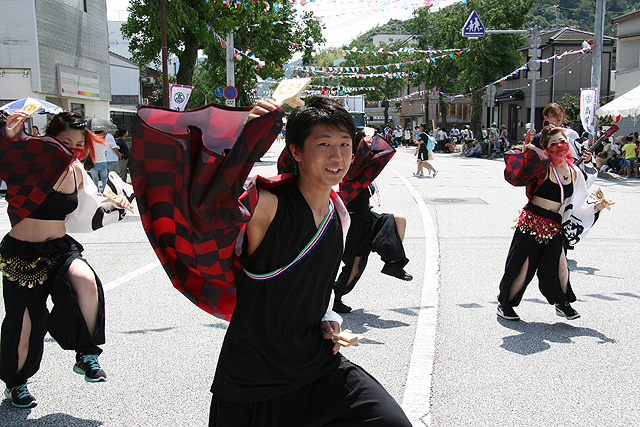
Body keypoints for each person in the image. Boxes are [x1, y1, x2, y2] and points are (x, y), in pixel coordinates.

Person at [130, 96, 412, 426]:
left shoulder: (338, 213)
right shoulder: (268, 204)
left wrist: (326, 315)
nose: (337, 156)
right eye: (324, 144)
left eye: (345, 144)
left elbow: (314, 283)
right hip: (254, 376)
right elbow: (211, 208)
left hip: (316, 363)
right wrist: (247, 137)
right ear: (296, 151)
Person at [0, 111, 133, 408]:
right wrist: (9, 136)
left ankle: (86, 354)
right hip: (22, 253)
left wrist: (116, 203)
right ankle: (16, 382)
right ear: (49, 139)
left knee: (86, 281)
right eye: (64, 142)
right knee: (26, 323)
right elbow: (7, 160)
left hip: (59, 248)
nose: (71, 149)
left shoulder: (76, 171)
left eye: (78, 144)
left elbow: (89, 211)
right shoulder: (30, 163)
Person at [497, 126, 613, 322]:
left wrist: (598, 205)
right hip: (532, 221)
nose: (559, 145)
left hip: (555, 225)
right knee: (523, 267)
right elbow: (517, 175)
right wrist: (527, 153)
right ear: (546, 148)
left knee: (560, 265)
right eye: (553, 143)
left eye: (562, 141)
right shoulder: (543, 166)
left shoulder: (574, 172)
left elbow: (580, 200)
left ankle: (562, 303)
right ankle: (505, 304)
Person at [332, 133, 412, 313]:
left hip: (367, 218)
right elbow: (356, 167)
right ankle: (334, 298)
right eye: (367, 142)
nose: (371, 144)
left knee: (398, 220)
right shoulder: (349, 168)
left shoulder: (366, 169)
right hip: (353, 224)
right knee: (355, 268)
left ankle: (393, 263)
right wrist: (364, 146)